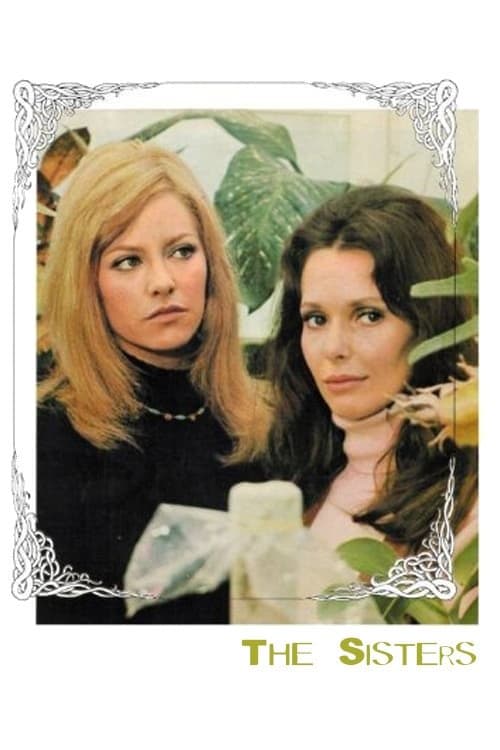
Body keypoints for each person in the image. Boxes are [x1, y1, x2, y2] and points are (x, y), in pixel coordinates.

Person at [36, 140, 268, 625]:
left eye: (182, 251)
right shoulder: (43, 435)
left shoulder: (264, 418)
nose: (163, 281)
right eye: (128, 261)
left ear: (210, 263)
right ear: (86, 282)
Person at [265, 185, 477, 561]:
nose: (334, 348)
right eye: (316, 319)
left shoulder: (472, 503)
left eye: (368, 315)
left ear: (431, 323)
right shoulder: (303, 472)